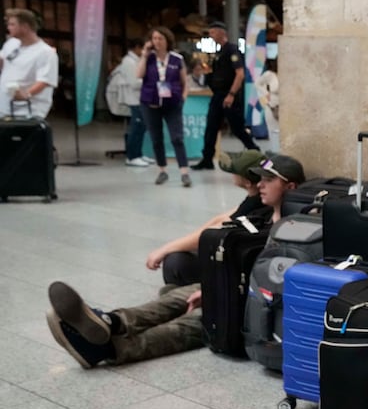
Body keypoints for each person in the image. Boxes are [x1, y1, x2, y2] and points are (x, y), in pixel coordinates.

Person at [44, 154, 306, 368]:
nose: (259, 184)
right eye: (259, 178)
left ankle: (109, 348)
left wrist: (214, 292)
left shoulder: (295, 231)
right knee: (178, 297)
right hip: (230, 292)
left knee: (196, 320)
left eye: (268, 180)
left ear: (290, 187)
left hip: (255, 307)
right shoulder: (261, 216)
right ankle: (111, 322)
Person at [146, 149, 267, 286]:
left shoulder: (257, 204)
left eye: (235, 172)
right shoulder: (255, 199)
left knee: (175, 262)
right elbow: (221, 219)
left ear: (247, 182)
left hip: (235, 269)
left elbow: (212, 232)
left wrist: (165, 249)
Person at [191, 21, 260, 170]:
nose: (210, 36)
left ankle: (256, 153)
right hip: (218, 95)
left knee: (237, 128)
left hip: (229, 95)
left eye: (213, 32)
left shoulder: (232, 50)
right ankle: (207, 159)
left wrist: (231, 94)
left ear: (222, 33)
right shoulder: (218, 52)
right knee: (211, 127)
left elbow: (240, 74)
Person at [136, 26, 191, 187]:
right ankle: (162, 170)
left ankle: (184, 172)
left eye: (160, 38)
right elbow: (138, 75)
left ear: (167, 40)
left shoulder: (176, 59)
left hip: (172, 103)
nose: (157, 42)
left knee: (177, 138)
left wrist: (183, 97)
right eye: (154, 39)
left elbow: (184, 81)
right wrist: (144, 56)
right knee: (156, 138)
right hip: (150, 103)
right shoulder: (149, 58)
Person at [0, 8, 59, 119]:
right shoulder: (11, 44)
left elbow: (45, 80)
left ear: (25, 27)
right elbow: (3, 61)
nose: (8, 28)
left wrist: (27, 93)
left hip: (27, 111)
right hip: (4, 107)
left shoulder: (45, 52)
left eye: (12, 24)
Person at [108, 38, 150, 166]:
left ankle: (138, 153)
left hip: (140, 98)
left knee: (141, 127)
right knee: (136, 128)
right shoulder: (129, 62)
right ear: (137, 47)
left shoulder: (135, 61)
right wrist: (150, 82)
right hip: (134, 99)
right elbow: (134, 83)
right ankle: (132, 156)